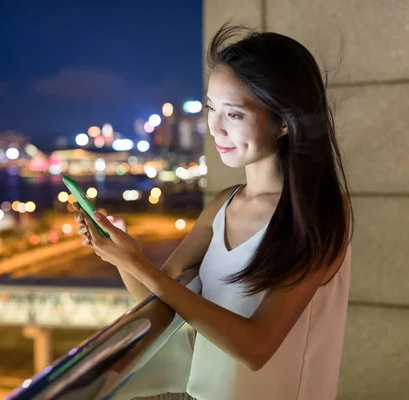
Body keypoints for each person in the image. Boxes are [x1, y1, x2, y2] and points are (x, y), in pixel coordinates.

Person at [73, 23, 353, 400]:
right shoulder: (223, 205)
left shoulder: (317, 214)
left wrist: (137, 263)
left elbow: (256, 347)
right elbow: (159, 299)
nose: (214, 128)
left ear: (284, 121)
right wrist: (119, 254)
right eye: (210, 108)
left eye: (234, 115)